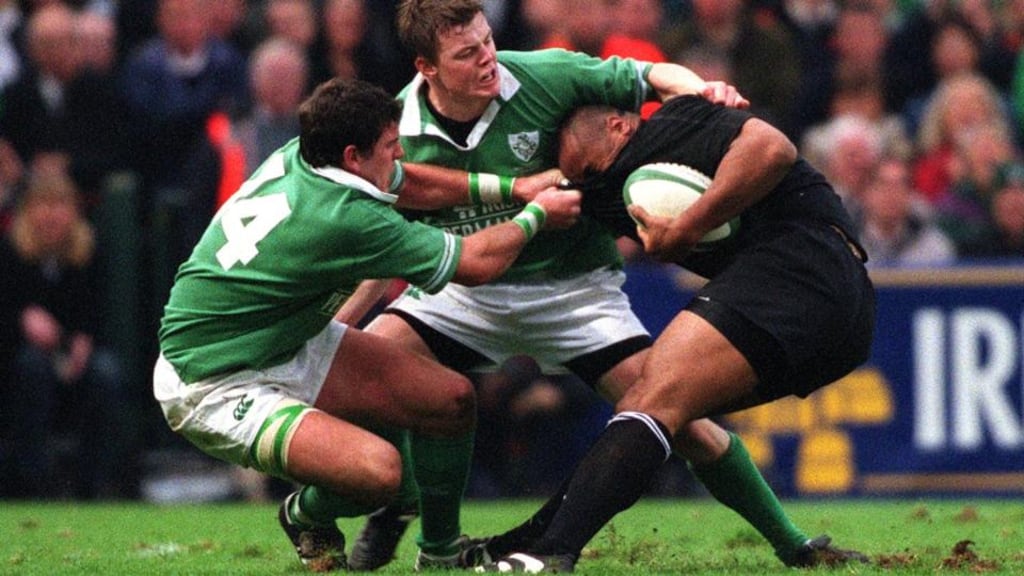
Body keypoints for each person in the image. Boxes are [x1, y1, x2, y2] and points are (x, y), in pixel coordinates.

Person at [344, 0, 864, 572]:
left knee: (674, 415)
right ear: (428, 67)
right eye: (467, 54)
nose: (488, 60)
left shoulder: (546, 73)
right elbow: (393, 234)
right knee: (361, 375)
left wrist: (702, 88)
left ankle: (792, 542)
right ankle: (387, 514)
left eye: (487, 41)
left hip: (575, 292)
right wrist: (348, 318)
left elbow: (646, 75)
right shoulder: (399, 129)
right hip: (466, 288)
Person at [151, 76, 581, 571]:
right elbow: (474, 264)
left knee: (451, 400)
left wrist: (509, 187)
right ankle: (304, 514)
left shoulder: (306, 154)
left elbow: (410, 182)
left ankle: (440, 554)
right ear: (355, 157)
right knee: (381, 476)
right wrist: (534, 215)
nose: (399, 157)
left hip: (284, 335)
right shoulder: (346, 217)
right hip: (212, 378)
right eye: (391, 148)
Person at [476, 88, 877, 573]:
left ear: (618, 126)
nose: (579, 177)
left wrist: (689, 224)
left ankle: (549, 554)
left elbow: (772, 149)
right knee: (655, 410)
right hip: (837, 318)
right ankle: (797, 548)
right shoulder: (594, 191)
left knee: (652, 402)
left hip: (805, 262)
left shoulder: (674, 122)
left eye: (578, 159)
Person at [0, 166, 134, 499]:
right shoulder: (9, 254)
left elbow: (97, 316)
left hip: (73, 362)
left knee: (105, 373)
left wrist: (83, 340)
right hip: (19, 363)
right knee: (31, 367)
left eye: (60, 205)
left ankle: (93, 481)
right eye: (42, 205)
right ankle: (32, 480)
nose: (51, 215)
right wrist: (20, 320)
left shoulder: (89, 253)